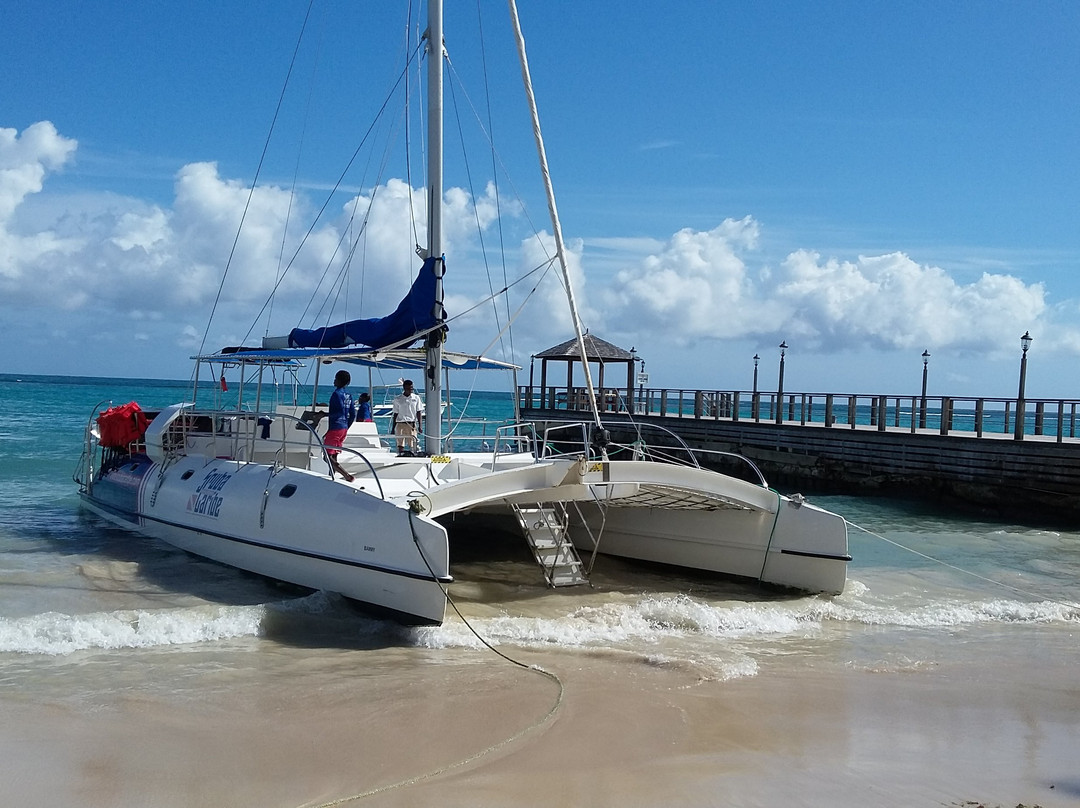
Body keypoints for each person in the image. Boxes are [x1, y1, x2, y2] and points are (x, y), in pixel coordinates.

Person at [324, 370, 356, 482]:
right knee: (334, 455)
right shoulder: (349, 395)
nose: (334, 381)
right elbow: (352, 414)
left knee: (326, 456)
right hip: (343, 428)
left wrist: (322, 414)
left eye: (335, 378)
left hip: (335, 427)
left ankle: (347, 475)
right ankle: (332, 476)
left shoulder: (336, 394)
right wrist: (346, 426)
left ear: (339, 380)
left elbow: (336, 412)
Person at [391, 379, 424, 455]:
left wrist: (420, 426)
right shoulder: (398, 399)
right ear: (404, 388)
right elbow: (395, 414)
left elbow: (419, 412)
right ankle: (400, 455)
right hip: (400, 423)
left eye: (411, 388)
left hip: (411, 423)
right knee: (400, 443)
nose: (410, 390)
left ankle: (412, 455)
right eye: (408, 388)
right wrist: (393, 428)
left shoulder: (416, 398)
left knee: (412, 443)